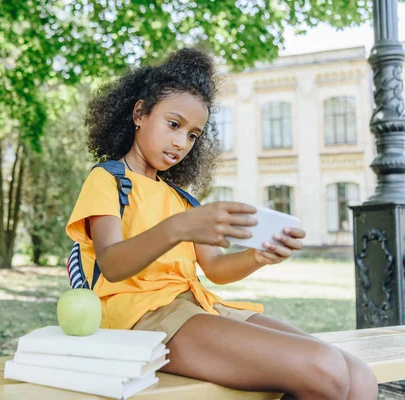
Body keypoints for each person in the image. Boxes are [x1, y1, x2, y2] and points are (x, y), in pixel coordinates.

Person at [65, 48, 377, 399]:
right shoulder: (108, 180)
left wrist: (258, 255)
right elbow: (111, 263)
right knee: (325, 368)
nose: (181, 143)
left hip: (198, 306)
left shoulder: (182, 199)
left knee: (359, 377)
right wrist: (181, 227)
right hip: (142, 319)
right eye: (174, 124)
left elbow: (214, 268)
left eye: (194, 135)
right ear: (140, 113)